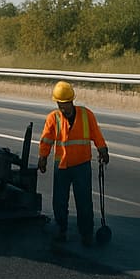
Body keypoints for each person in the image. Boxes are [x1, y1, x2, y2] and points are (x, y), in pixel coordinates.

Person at [37, 81, 108, 246]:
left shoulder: (86, 115)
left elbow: (96, 134)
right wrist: (43, 157)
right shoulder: (53, 118)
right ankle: (61, 231)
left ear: (72, 101)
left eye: (66, 104)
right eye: (60, 104)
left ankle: (87, 234)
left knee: (84, 202)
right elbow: (46, 140)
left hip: (81, 165)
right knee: (59, 202)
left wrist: (103, 149)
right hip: (61, 166)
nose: (63, 108)